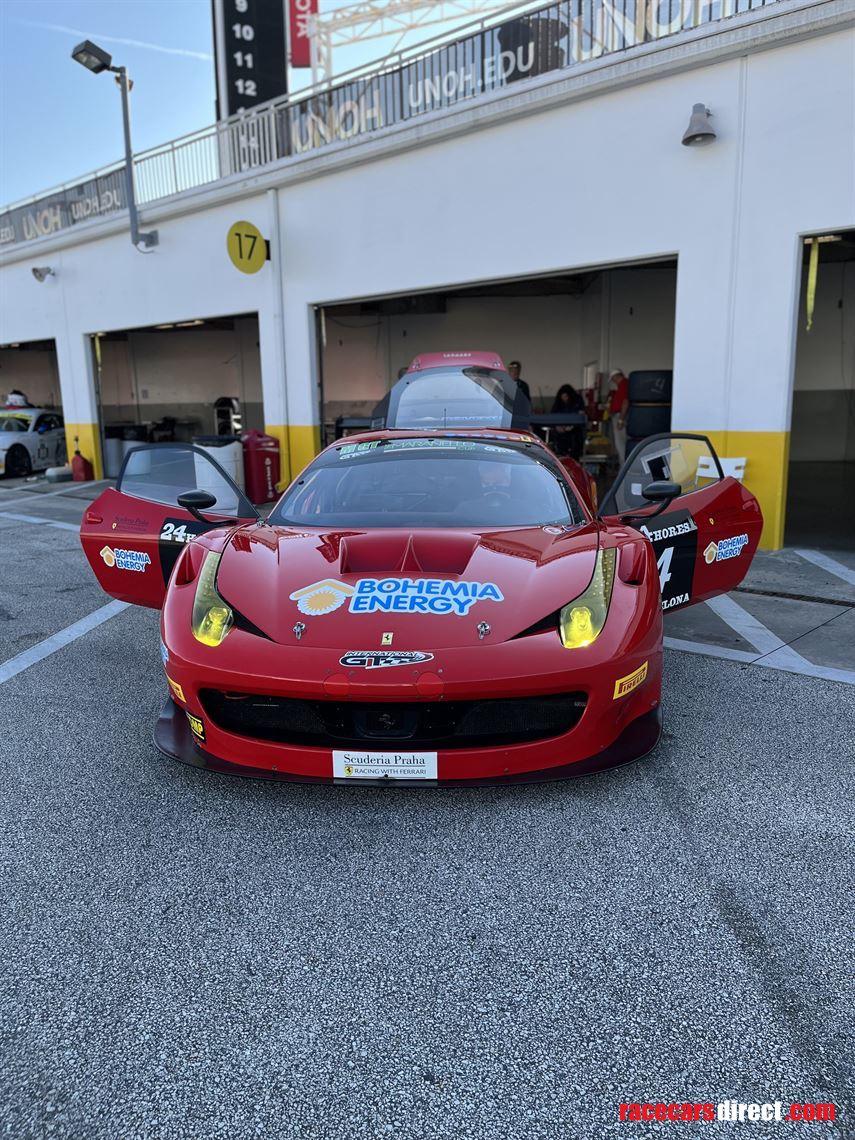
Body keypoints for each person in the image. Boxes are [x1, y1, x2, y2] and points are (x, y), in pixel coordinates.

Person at [551, 383, 586, 459]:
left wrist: (572, 426)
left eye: (566, 397)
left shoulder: (577, 401)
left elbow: (581, 416)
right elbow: (552, 417)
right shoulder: (558, 403)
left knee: (574, 455)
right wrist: (557, 427)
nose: (564, 399)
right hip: (561, 435)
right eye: (562, 397)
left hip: (575, 434)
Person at [607, 369, 629, 463]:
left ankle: (624, 468)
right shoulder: (622, 385)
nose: (613, 381)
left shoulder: (624, 384)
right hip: (619, 415)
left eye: (613, 379)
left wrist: (620, 420)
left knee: (620, 444)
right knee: (620, 443)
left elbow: (625, 402)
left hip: (620, 416)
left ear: (617, 376)